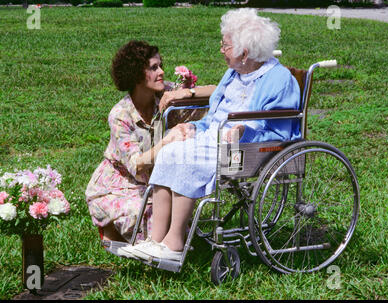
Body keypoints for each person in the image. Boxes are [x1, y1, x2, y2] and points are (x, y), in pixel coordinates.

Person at [118, 8, 301, 260]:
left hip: (248, 150)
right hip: (215, 141)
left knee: (186, 157)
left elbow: (279, 131)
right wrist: (195, 127)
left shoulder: (280, 80)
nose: (221, 50)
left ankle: (174, 243)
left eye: (225, 46)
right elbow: (216, 115)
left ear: (244, 53)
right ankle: (155, 239)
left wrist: (243, 130)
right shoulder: (234, 74)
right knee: (170, 150)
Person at [85, 40, 215, 243]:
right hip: (121, 183)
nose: (162, 71)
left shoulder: (167, 95)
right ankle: (110, 227)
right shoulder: (121, 115)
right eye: (154, 68)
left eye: (160, 65)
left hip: (157, 180)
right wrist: (167, 142)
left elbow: (220, 92)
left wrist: (188, 92)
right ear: (136, 74)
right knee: (152, 222)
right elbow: (136, 165)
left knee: (177, 223)